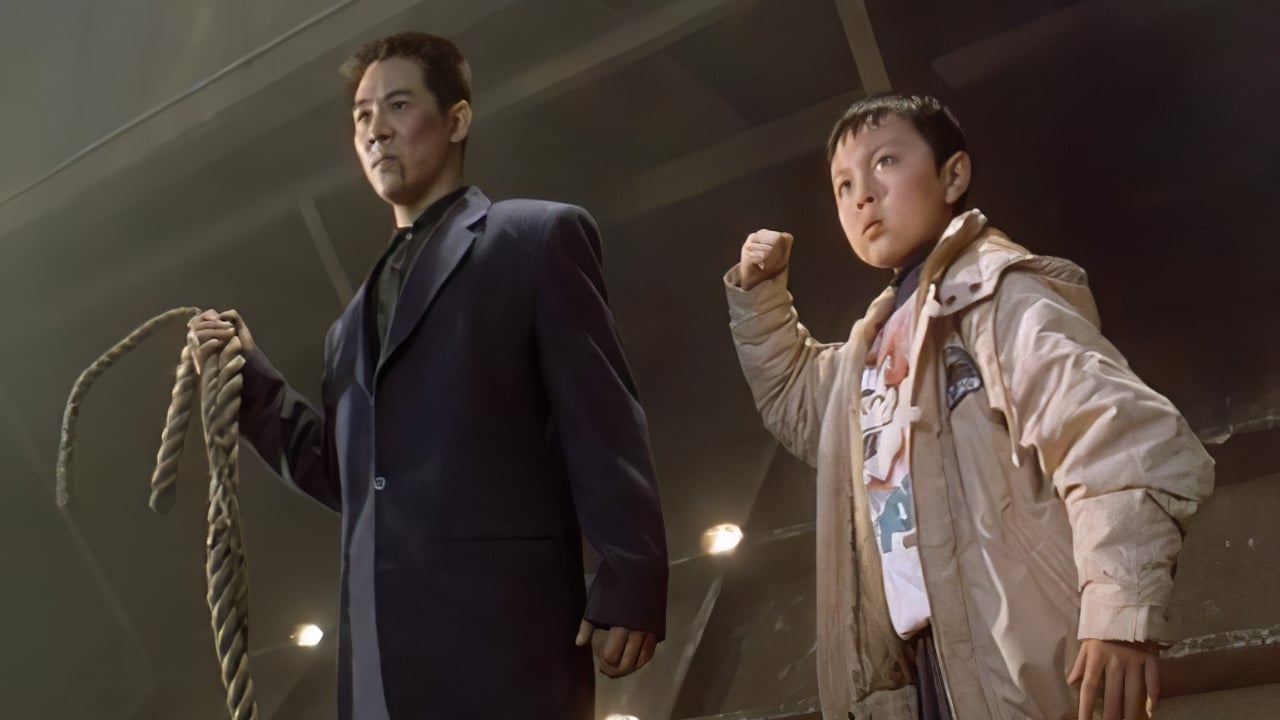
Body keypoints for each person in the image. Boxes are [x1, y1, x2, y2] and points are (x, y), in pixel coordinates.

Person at [187, 31, 667, 720]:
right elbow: (348, 478)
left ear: (457, 118)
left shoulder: (534, 239)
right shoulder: (346, 328)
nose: (375, 130)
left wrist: (634, 572)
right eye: (361, 115)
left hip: (503, 643)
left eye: (398, 105)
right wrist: (249, 381)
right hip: (376, 671)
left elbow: (603, 418)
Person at [723, 93, 1213, 720]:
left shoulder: (998, 295)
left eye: (886, 161)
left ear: (953, 176)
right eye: (843, 184)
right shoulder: (871, 345)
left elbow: (1118, 437)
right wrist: (760, 295)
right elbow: (797, 402)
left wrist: (1120, 613)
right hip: (923, 668)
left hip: (1024, 662)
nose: (862, 194)